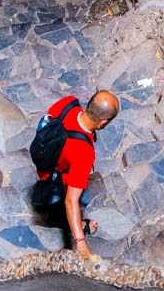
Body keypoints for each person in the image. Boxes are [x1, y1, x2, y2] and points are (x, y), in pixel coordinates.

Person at [29, 89, 119, 258]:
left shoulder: (68, 103)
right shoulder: (84, 153)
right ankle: (72, 223)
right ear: (103, 123)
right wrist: (81, 242)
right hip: (54, 174)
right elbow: (71, 200)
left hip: (43, 157)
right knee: (75, 198)